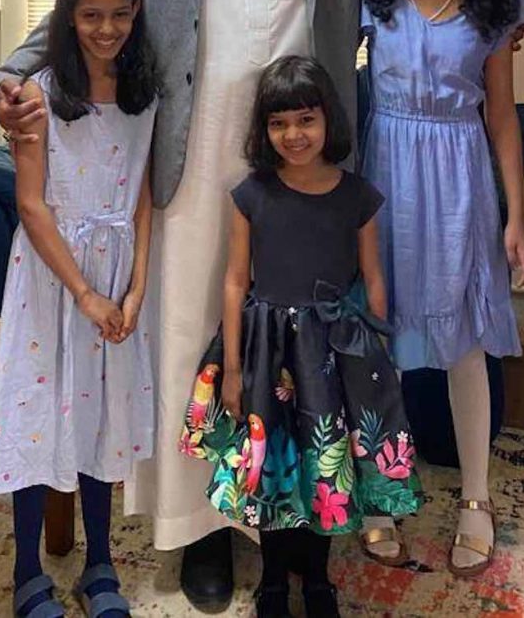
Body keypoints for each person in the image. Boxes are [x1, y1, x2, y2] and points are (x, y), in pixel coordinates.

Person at [0, 0, 377, 608]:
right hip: (187, 160)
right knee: (186, 336)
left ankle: (281, 526)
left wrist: (479, 12)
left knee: (289, 342)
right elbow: (84, 3)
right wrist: (10, 77)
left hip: (295, 159)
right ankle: (199, 527)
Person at [180, 56, 421, 617]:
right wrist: (235, 369)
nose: (294, 135)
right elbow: (237, 279)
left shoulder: (357, 196)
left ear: (327, 121)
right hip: (267, 353)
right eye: (279, 123)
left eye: (306, 120)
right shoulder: (252, 195)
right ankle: (270, 581)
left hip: (333, 354)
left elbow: (373, 279)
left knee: (325, 466)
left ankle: (317, 578)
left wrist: (381, 355)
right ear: (265, 130)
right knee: (274, 469)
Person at [359, 0, 524, 578]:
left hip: (460, 175)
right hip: (385, 172)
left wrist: (515, 215)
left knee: (465, 342)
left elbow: (500, 116)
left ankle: (476, 499)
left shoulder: (494, 6)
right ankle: (379, 498)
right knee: (380, 342)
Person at [0, 0, 159, 618]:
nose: (106, 28)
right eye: (91, 15)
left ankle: (101, 564)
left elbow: (144, 196)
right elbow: (31, 204)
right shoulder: (38, 95)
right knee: (39, 411)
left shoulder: (147, 95)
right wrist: (83, 292)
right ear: (70, 16)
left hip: (116, 277)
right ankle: (28, 569)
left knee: (99, 414)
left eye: (118, 14)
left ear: (136, 12)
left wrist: (135, 289)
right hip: (53, 280)